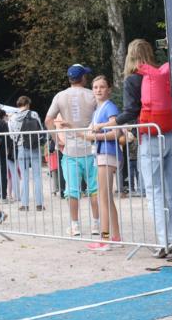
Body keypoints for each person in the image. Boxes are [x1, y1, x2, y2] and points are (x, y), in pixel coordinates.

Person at [99, 39, 172, 255]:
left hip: (150, 138)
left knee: (154, 192)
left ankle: (166, 240)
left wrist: (108, 124)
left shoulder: (133, 79)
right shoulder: (162, 74)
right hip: (170, 135)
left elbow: (130, 112)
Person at [46, 64, 100, 236]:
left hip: (70, 149)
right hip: (91, 147)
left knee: (72, 189)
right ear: (83, 78)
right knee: (94, 188)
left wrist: (57, 141)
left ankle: (75, 225)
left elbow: (48, 120)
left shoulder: (60, 96)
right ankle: (96, 224)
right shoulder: (92, 95)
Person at [82, 76, 123, 250]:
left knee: (103, 197)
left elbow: (116, 133)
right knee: (107, 197)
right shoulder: (98, 110)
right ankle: (116, 236)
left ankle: (105, 239)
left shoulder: (110, 107)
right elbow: (88, 133)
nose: (98, 90)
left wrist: (94, 136)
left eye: (102, 87)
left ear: (109, 89)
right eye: (95, 87)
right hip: (102, 153)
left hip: (108, 153)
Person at [13, 96, 45, 211]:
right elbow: (40, 130)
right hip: (34, 147)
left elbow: (12, 135)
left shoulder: (14, 117)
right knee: (37, 176)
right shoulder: (34, 114)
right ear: (27, 104)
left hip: (21, 147)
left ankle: (25, 204)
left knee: (24, 176)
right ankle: (39, 204)